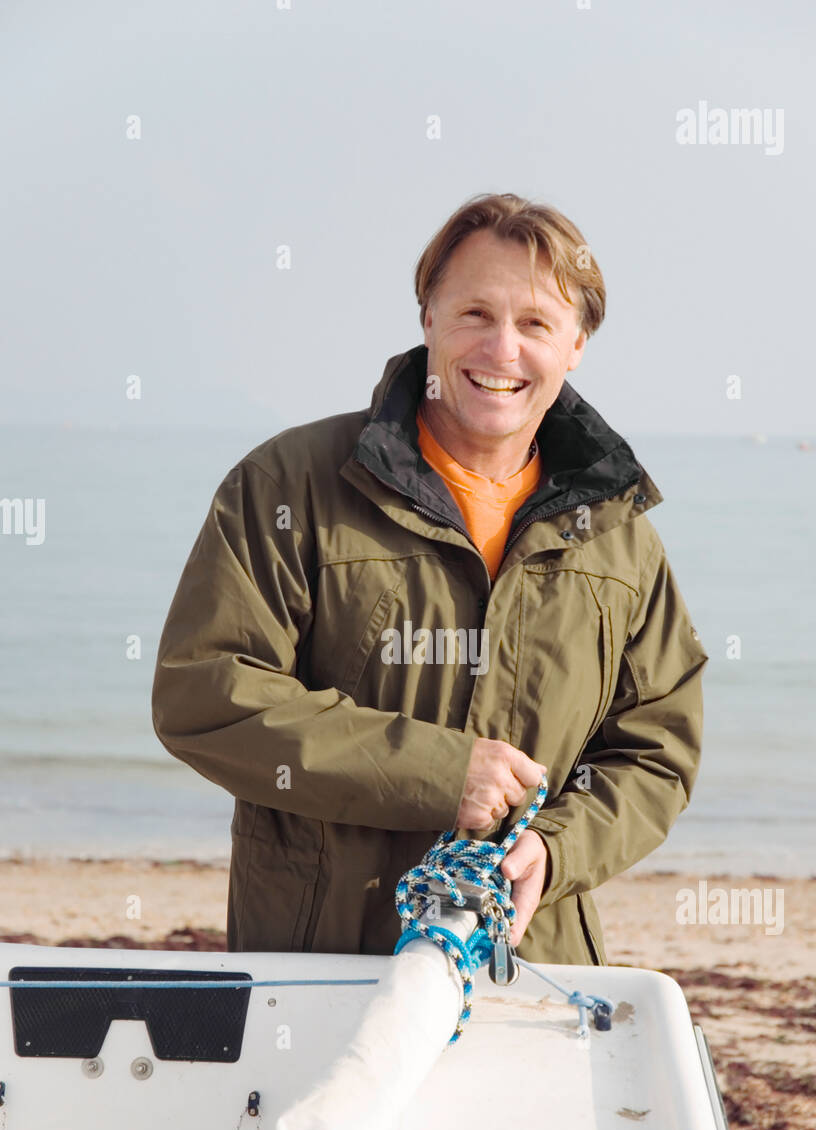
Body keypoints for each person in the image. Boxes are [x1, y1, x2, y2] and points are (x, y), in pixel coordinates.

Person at [151, 192, 708, 965]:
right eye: (475, 313)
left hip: (531, 968)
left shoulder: (617, 534)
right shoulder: (288, 484)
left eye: (536, 323)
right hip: (317, 967)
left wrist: (555, 849)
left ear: (575, 344)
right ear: (429, 319)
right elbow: (203, 694)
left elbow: (656, 752)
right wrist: (442, 773)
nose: (502, 349)